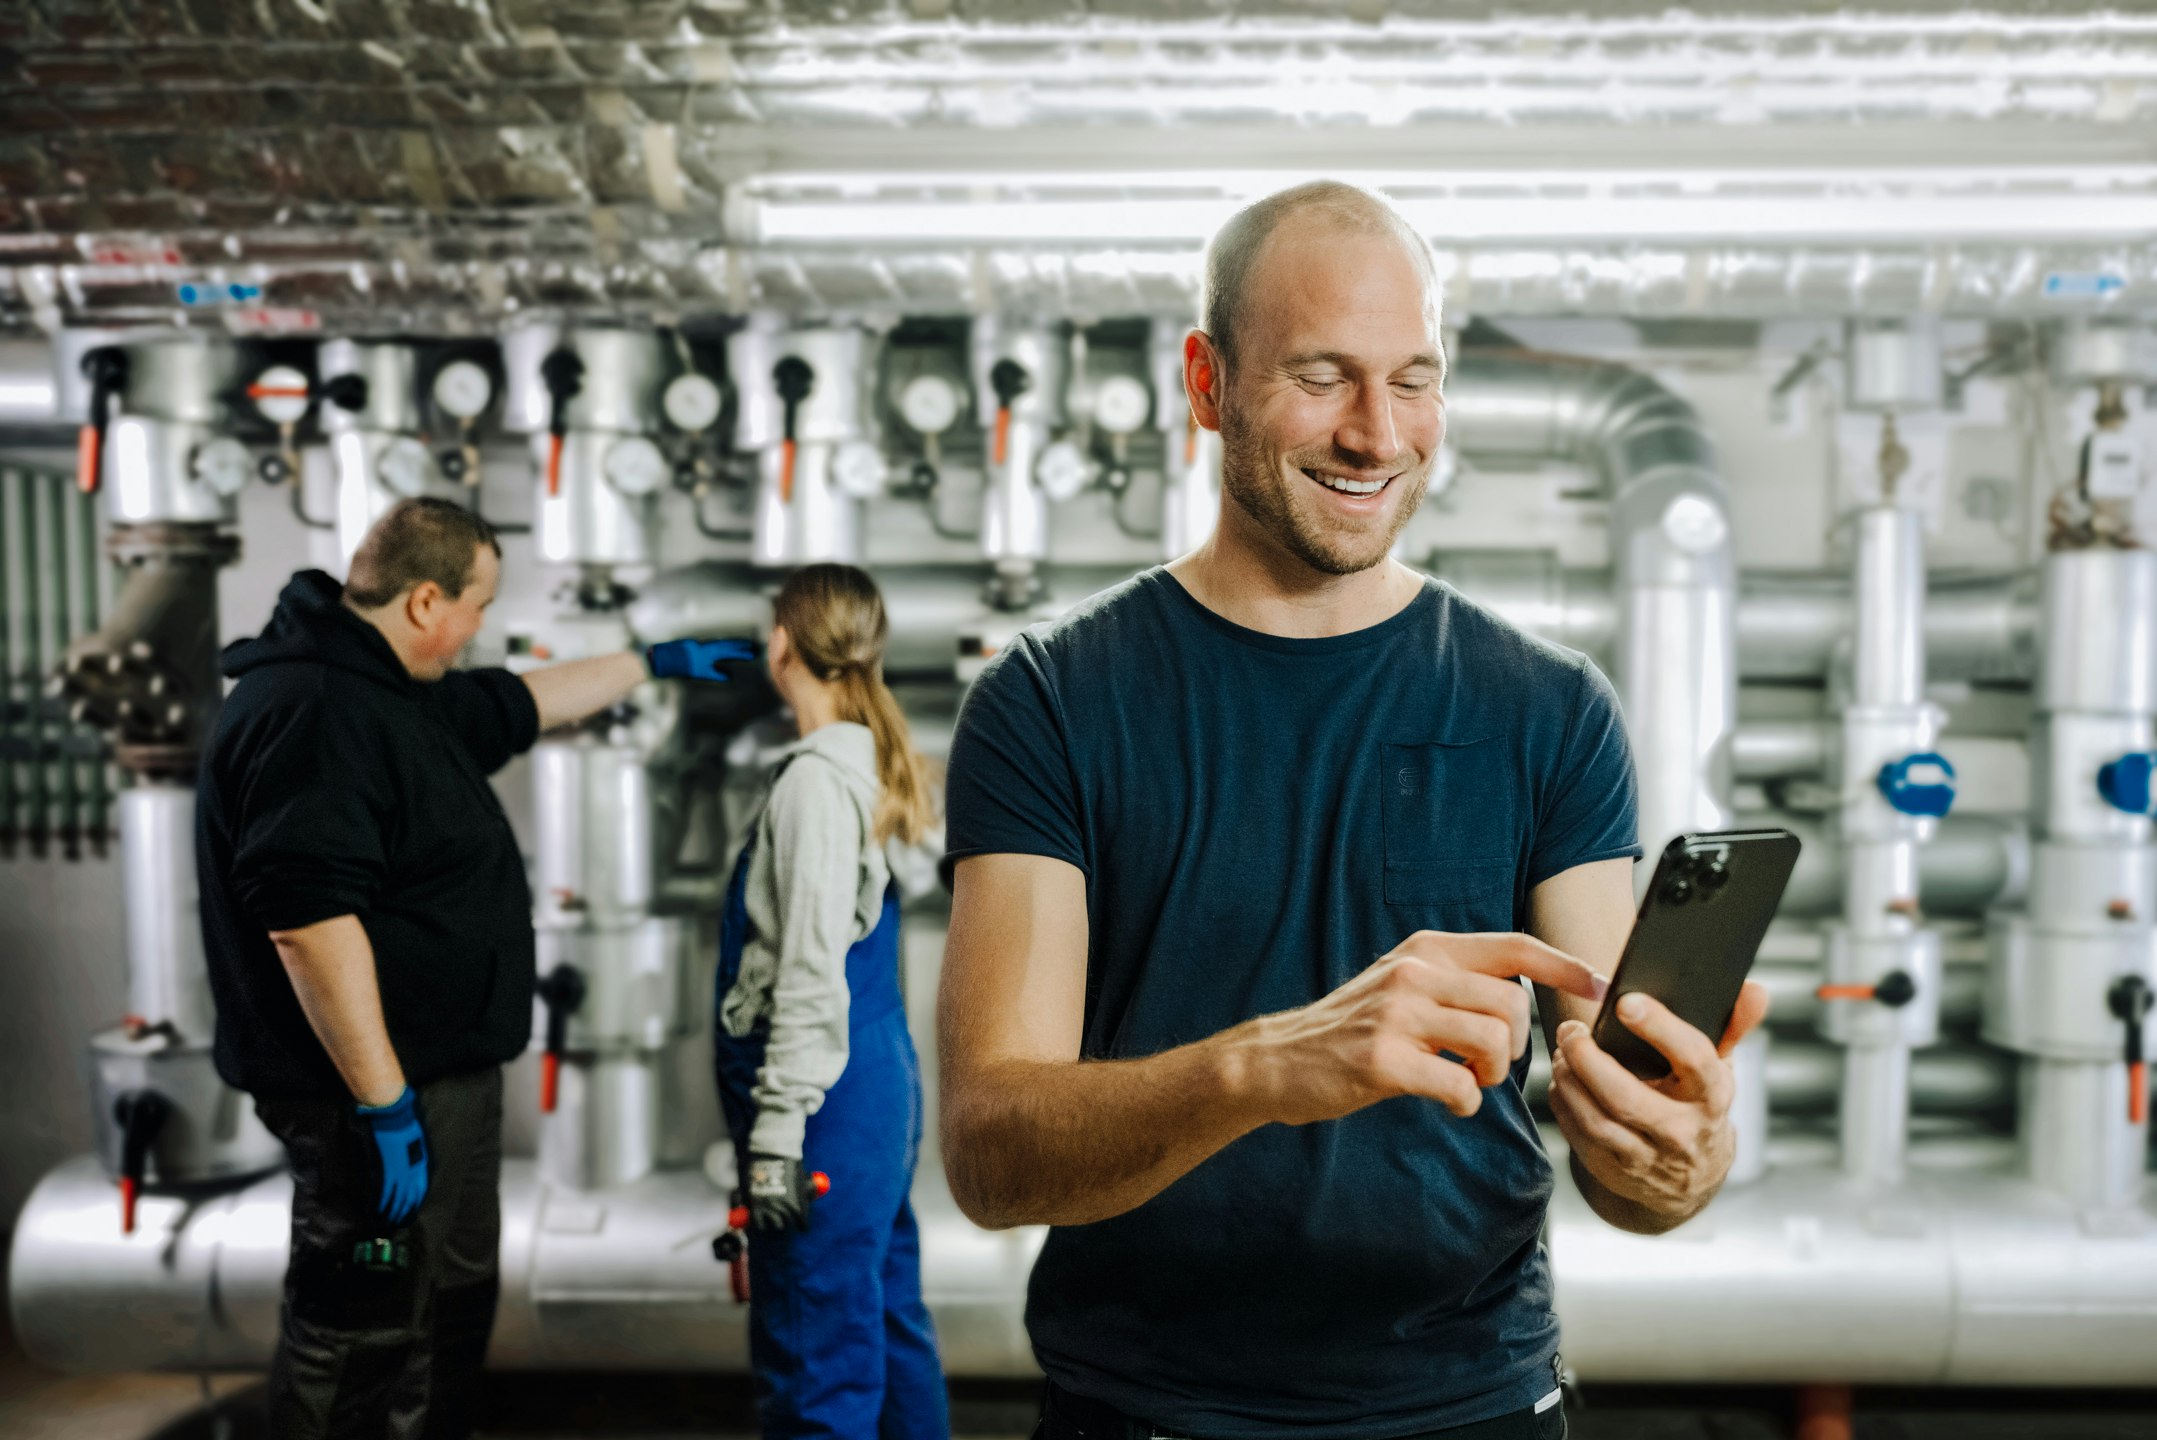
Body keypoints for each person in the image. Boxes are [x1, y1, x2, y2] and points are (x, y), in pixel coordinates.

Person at [939, 181, 1771, 1440]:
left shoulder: (1549, 709)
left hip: (1476, 1407)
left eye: (1416, 378)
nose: (1379, 435)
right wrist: (1266, 1069)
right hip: (1149, 1412)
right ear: (1208, 383)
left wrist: (1677, 1159)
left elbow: (1631, 1170)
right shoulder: (1051, 700)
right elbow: (991, 1155)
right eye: (1323, 377)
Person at [197, 497, 750, 1440]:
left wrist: (651, 663)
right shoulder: (318, 713)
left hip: (441, 1079)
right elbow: (308, 927)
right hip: (368, 1097)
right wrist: (382, 1104)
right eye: (478, 606)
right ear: (424, 601)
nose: (480, 628)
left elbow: (524, 700)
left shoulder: (395, 693)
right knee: (359, 1332)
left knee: (445, 1310)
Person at [713, 562, 948, 1440]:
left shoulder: (816, 783)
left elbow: (810, 967)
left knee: (816, 1353)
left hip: (824, 1101)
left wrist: (775, 1135)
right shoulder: (876, 762)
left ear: (782, 646)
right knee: (882, 1324)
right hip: (872, 1084)